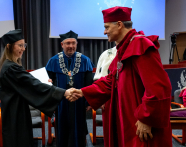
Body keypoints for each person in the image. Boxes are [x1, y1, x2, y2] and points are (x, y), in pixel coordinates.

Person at [70, 6, 172, 147]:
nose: (104, 31)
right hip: (128, 117)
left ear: (119, 24)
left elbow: (159, 87)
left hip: (140, 121)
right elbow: (111, 80)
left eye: (106, 27)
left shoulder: (141, 45)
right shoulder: (124, 48)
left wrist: (147, 118)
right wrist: (83, 92)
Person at [0, 29, 72, 147]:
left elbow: (26, 82)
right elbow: (32, 84)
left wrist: (44, 82)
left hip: (17, 110)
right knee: (18, 140)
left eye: (24, 45)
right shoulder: (11, 68)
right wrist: (62, 92)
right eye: (20, 45)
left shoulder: (10, 66)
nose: (23, 48)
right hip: (15, 113)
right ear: (9, 46)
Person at [45, 30, 94, 147]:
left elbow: (89, 83)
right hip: (61, 100)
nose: (71, 46)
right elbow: (47, 80)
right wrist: (49, 83)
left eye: (73, 43)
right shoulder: (53, 61)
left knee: (79, 125)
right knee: (62, 125)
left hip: (79, 100)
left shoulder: (85, 60)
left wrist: (88, 101)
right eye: (68, 43)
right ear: (62, 44)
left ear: (76, 44)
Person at [93, 46, 117, 147]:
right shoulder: (108, 54)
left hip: (129, 98)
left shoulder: (135, 49)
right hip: (110, 97)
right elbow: (100, 78)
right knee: (111, 131)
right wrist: (101, 99)